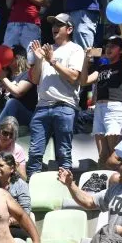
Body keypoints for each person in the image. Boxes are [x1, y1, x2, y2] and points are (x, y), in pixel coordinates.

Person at [27, 14, 84, 177]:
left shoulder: (76, 49)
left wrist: (52, 60)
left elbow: (74, 76)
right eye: (53, 25)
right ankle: (32, 192)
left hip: (65, 106)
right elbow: (36, 79)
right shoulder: (46, 50)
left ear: (69, 29)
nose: (54, 28)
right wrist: (39, 60)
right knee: (34, 154)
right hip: (42, 107)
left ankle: (65, 190)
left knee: (63, 154)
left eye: (59, 25)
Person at [80, 24, 122, 167]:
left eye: (113, 46)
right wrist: (86, 59)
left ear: (120, 50)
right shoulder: (102, 67)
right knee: (102, 157)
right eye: (107, 46)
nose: (108, 48)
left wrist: (121, 24)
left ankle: (119, 186)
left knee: (114, 157)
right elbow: (84, 81)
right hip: (99, 109)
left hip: (115, 108)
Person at [0, 153, 32, 240]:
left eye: (1, 165)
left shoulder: (20, 185)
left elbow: (25, 211)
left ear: (12, 168)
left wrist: (9, 221)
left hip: (17, 227)